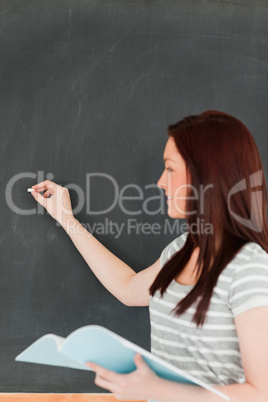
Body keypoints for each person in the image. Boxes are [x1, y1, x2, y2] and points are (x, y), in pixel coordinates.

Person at [30, 111, 268, 402]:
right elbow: (128, 288)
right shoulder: (181, 249)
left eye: (169, 168)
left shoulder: (248, 267)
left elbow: (261, 392)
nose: (160, 182)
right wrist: (66, 219)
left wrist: (158, 390)